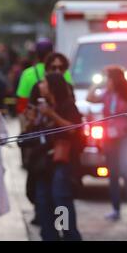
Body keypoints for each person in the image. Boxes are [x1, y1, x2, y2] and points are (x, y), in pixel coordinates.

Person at [30, 73, 82, 241]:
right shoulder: (43, 105)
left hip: (61, 161)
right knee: (43, 201)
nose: (41, 85)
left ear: (53, 86)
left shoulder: (67, 105)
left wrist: (51, 114)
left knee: (61, 201)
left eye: (44, 82)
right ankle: (49, 236)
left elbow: (73, 129)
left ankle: (68, 235)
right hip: (43, 163)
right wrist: (32, 119)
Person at [87, 65, 127, 220]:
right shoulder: (106, 94)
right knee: (113, 173)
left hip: (124, 138)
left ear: (115, 79)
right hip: (109, 139)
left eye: (108, 78)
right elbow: (90, 98)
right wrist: (97, 84)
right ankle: (115, 209)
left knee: (125, 169)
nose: (106, 81)